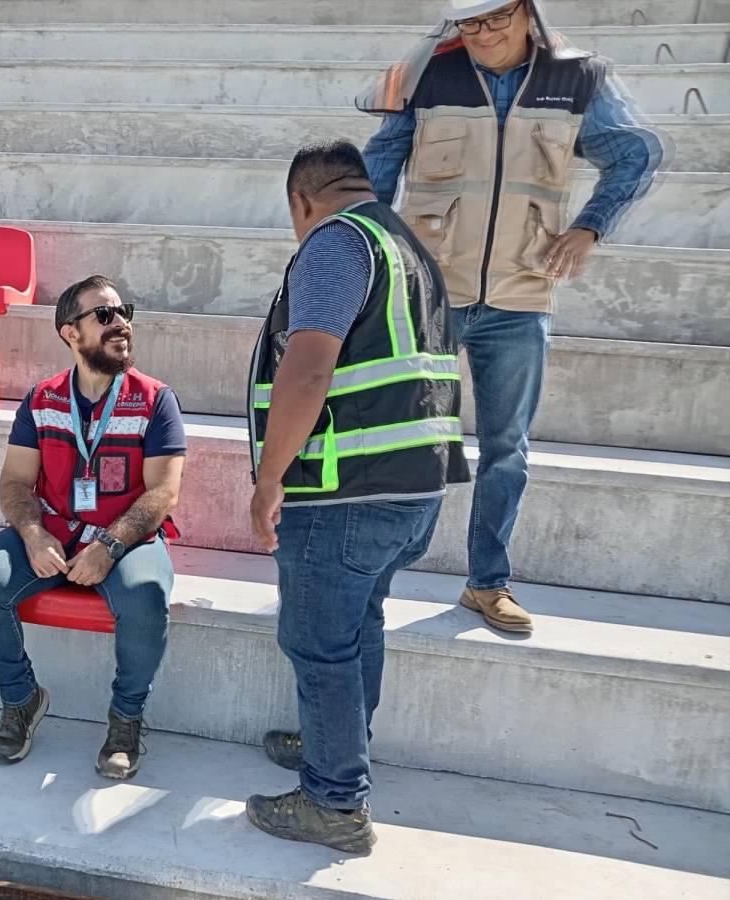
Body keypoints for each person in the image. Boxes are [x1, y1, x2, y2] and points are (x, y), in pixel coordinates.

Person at [360, 0, 665, 633]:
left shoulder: (576, 76)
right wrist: (366, 252)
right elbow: (378, 169)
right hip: (432, 294)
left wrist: (590, 227)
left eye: (499, 18)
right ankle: (369, 577)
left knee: (507, 450)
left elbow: (637, 153)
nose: (485, 33)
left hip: (520, 295)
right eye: (472, 22)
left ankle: (487, 583)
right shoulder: (426, 71)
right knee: (402, 440)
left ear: (529, 13)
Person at [246, 142, 469, 853]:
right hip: (411, 489)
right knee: (357, 625)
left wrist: (270, 478)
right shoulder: (406, 247)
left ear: (300, 201)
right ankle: (338, 745)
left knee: (318, 644)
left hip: (345, 492)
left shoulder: (336, 245)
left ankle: (334, 801)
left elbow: (308, 371)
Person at [0, 275, 186, 780]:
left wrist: (109, 544)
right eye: (104, 315)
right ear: (70, 333)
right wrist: (34, 533)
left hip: (129, 539)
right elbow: (16, 481)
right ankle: (22, 700)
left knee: (146, 599)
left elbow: (162, 493)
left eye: (123, 311)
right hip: (56, 530)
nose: (120, 322)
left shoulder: (154, 399)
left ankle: (126, 720)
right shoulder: (42, 399)